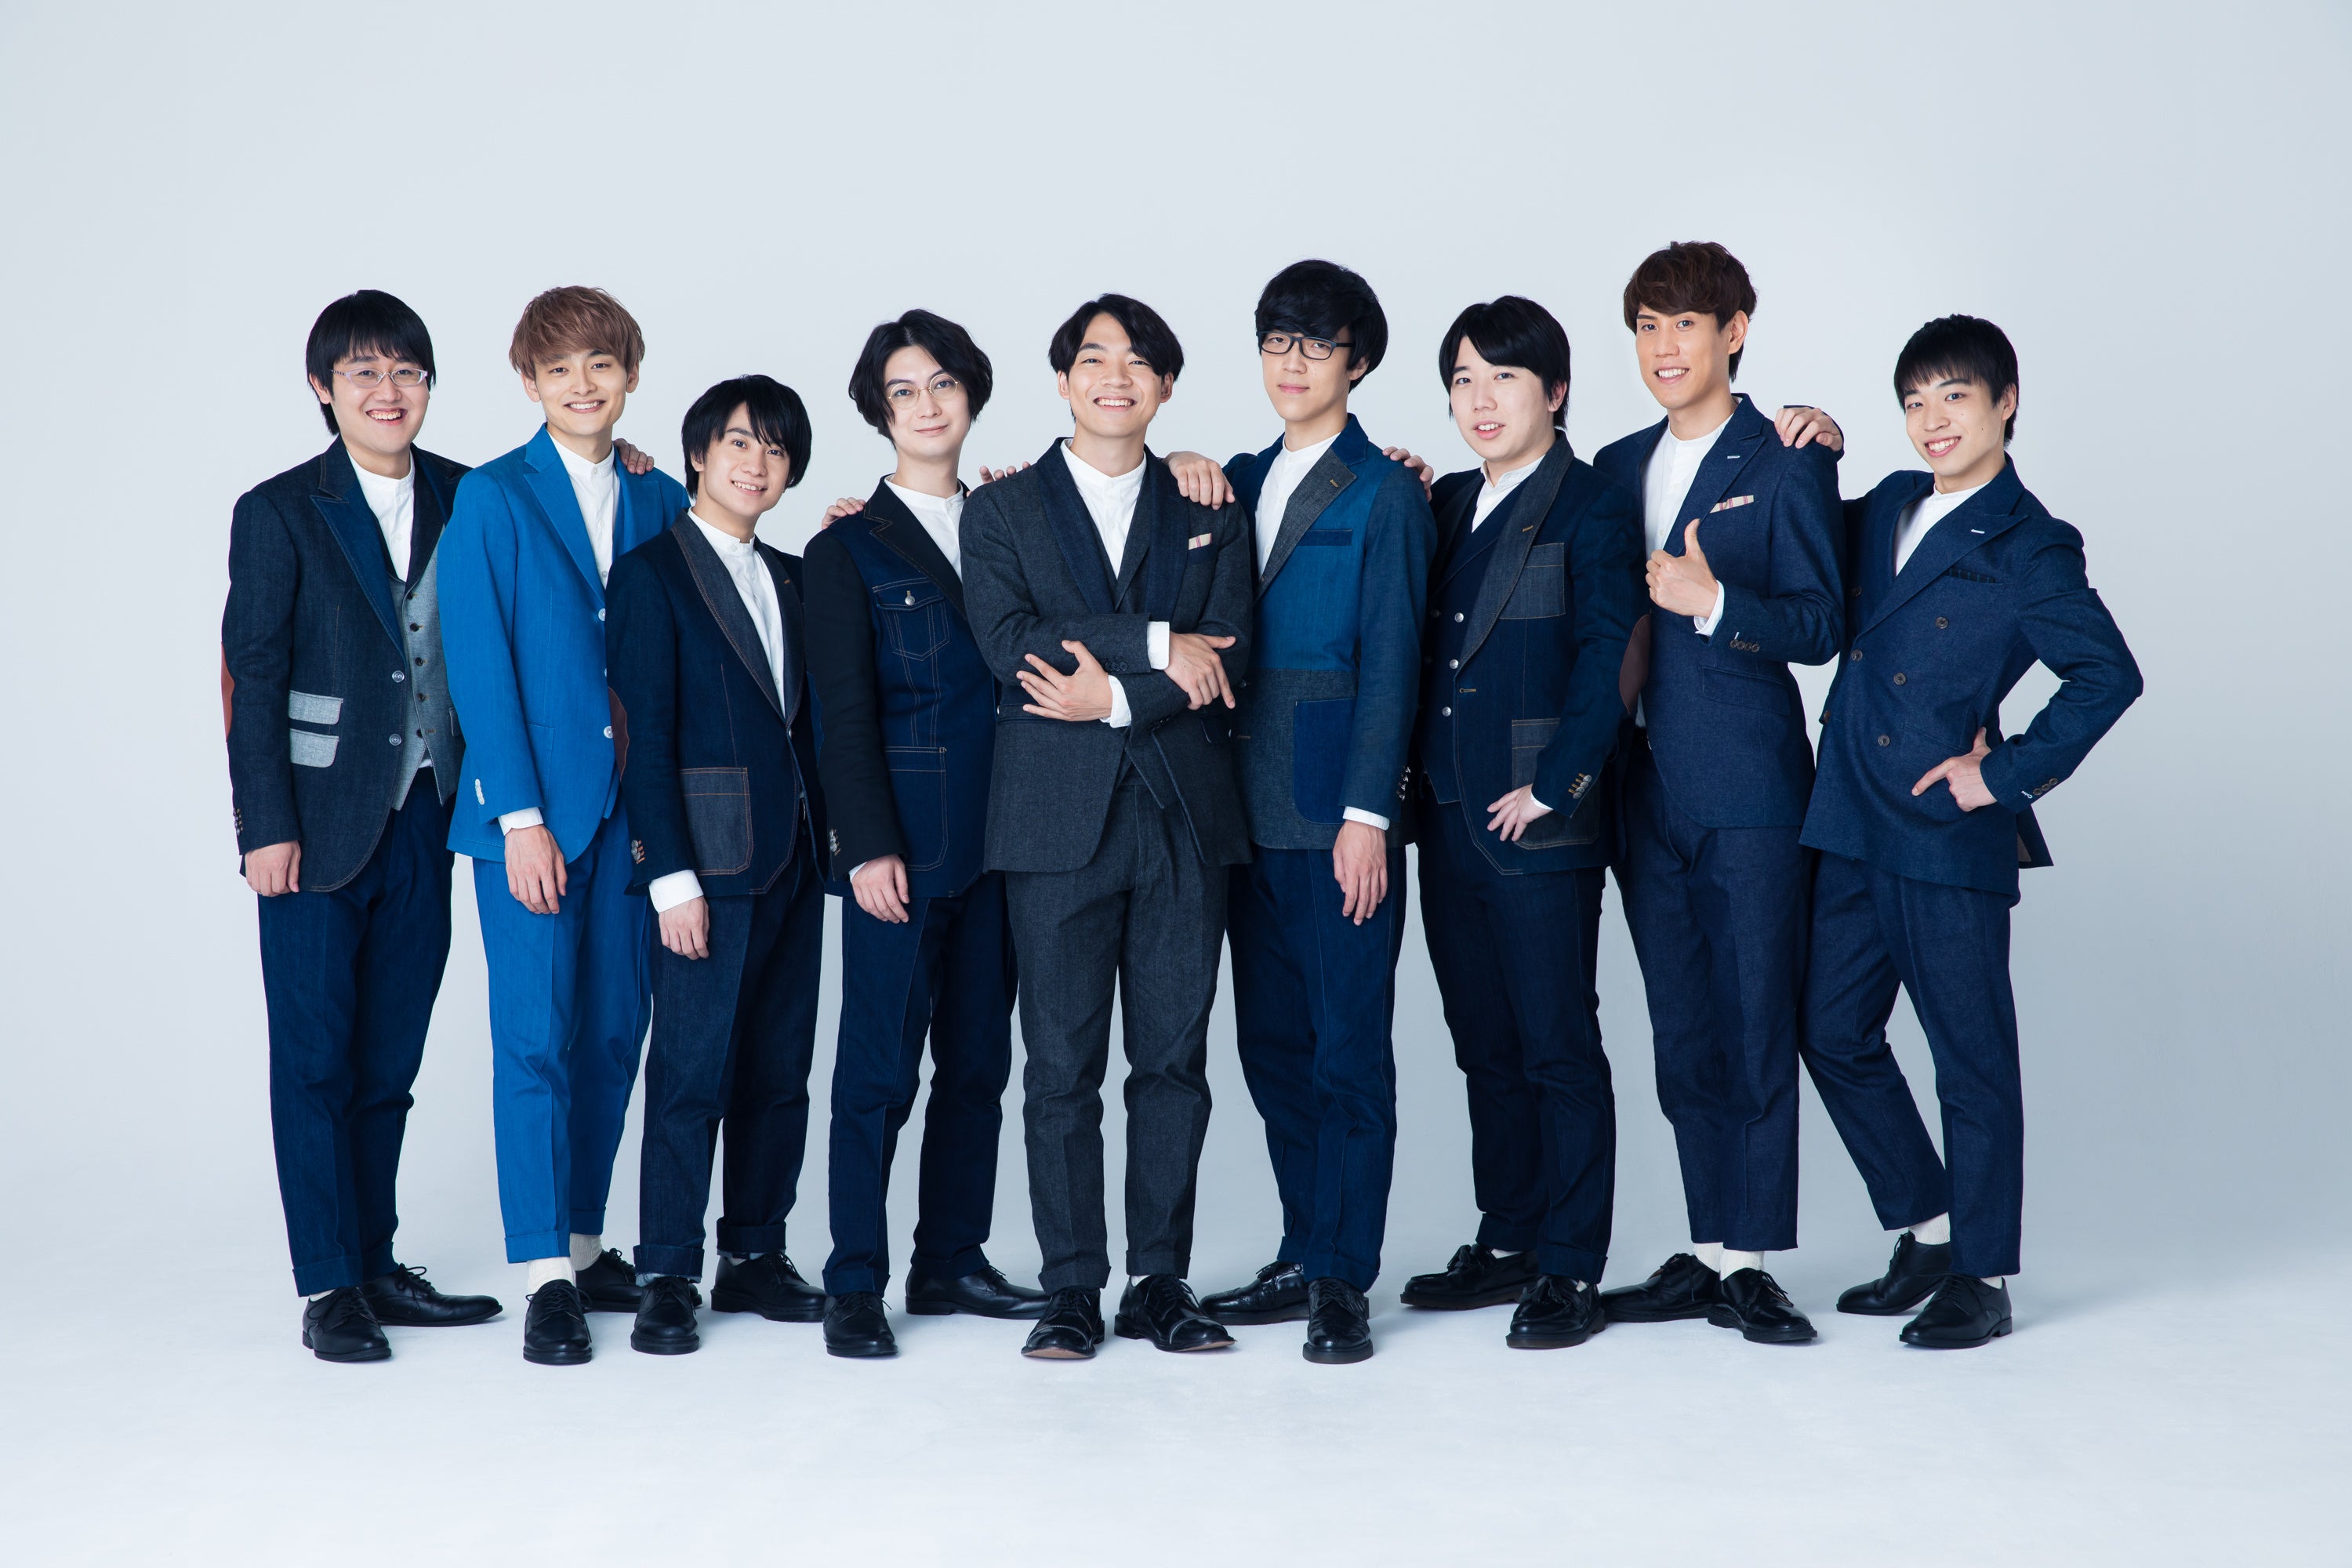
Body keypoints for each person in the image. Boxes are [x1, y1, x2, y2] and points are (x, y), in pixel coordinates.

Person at [1800, 315, 2141, 1348]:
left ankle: (1983, 1276)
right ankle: (1931, 1228)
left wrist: (2001, 774)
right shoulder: (1891, 502)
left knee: (1970, 1056)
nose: (1932, 419)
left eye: (1954, 395)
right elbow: (1801, 536)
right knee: (1829, 1028)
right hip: (1848, 810)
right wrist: (1816, 445)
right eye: (1915, 401)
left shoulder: (2032, 541)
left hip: (1946, 829)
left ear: (2006, 402)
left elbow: (2108, 675)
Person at [957, 293, 1254, 1361]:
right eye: (1093, 358)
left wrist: (1118, 696)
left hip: (1183, 817)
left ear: (1166, 386)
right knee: (1059, 1068)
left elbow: (1231, 650)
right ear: (1062, 380)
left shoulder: (1209, 503)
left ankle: (1158, 1280)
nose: (1114, 376)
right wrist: (1161, 641)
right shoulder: (1000, 510)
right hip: (1052, 822)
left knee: (1173, 1062)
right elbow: (1011, 641)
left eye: (1138, 361)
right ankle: (1072, 1287)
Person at [223, 289, 501, 1361]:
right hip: (313, 826)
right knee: (313, 1063)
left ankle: (377, 1262)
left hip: (430, 815)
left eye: (407, 372)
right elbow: (254, 675)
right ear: (323, 388)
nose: (389, 392)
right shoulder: (281, 510)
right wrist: (263, 826)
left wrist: (642, 470)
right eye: (364, 373)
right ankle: (329, 1283)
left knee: (389, 1060)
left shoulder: (472, 495)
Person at [1589, 241, 1846, 1345]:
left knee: (1753, 1016)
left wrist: (1714, 602)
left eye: (1685, 324)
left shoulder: (1785, 458)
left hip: (1747, 784)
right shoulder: (1614, 464)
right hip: (1639, 787)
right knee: (1682, 1024)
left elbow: (1822, 623)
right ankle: (1707, 1246)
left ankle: (1751, 1259)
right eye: (1647, 326)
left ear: (1734, 331)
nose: (1663, 346)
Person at [437, 285, 690, 1364]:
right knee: (534, 1040)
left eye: (600, 365)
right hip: (529, 817)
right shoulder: (492, 496)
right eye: (558, 370)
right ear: (529, 383)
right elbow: (478, 665)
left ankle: (585, 1243)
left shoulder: (664, 495)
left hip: (632, 814)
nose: (581, 385)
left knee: (614, 1033)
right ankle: (544, 1272)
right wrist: (520, 818)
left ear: (629, 374)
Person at [1189, 261, 1434, 1365]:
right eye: (1277, 343)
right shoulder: (1233, 477)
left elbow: (1393, 666)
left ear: (1358, 361)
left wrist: (1368, 814)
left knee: (1348, 1052)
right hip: (1236, 815)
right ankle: (1304, 1245)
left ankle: (1342, 1277)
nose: (1292, 364)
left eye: (1317, 345)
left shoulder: (1387, 492)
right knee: (1274, 1047)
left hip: (1336, 817)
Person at [1398, 296, 1644, 1350]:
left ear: (1556, 390)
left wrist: (1558, 782)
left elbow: (1608, 651)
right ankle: (1508, 1236)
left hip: (1537, 817)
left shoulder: (1592, 505)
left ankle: (1571, 1263)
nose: (1479, 398)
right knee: (1484, 1042)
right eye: (1462, 379)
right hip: (1446, 812)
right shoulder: (1448, 499)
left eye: (1502, 376)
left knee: (1557, 1043)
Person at [801, 312, 1048, 1359]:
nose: (927, 404)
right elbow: (841, 715)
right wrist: (866, 847)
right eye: (903, 390)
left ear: (971, 393)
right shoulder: (844, 547)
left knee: (980, 1064)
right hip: (900, 849)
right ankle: (854, 1277)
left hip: (1010, 839)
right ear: (879, 410)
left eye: (943, 382)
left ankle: (949, 1257)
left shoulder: (1014, 521)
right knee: (876, 1071)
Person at [604, 375, 831, 1357]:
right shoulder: (650, 573)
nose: (756, 461)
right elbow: (644, 736)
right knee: (690, 1072)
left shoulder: (796, 575)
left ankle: (755, 1253)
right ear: (698, 453)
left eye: (775, 449)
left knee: (780, 1070)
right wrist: (670, 878)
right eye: (739, 441)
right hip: (703, 864)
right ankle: (666, 1269)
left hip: (795, 860)